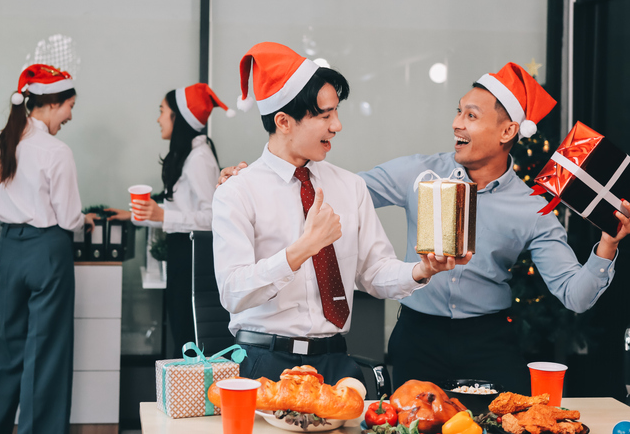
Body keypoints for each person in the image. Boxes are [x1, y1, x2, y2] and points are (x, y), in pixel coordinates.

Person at [219, 62, 630, 394]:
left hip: (487, 340)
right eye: (458, 111)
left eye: (471, 115)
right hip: (415, 336)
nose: (457, 124)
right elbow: (320, 187)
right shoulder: (416, 173)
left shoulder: (530, 207)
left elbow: (575, 296)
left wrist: (606, 247)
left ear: (508, 132)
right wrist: (253, 177)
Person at [212, 42, 471, 386]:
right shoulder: (238, 191)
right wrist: (303, 248)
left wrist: (421, 269)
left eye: (336, 112)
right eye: (325, 116)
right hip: (263, 365)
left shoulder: (349, 187)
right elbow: (232, 292)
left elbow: (374, 272)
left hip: (336, 364)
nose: (337, 125)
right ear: (284, 121)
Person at [0, 64, 96, 434]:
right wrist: (84, 221)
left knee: (7, 347)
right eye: (69, 106)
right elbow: (68, 217)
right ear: (51, 104)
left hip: (10, 250)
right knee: (46, 352)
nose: (71, 115)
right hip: (48, 251)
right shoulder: (56, 150)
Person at [108, 83, 230, 357]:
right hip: (181, 254)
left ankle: (192, 398)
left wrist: (163, 215)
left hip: (191, 257)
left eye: (162, 111)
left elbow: (212, 218)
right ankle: (184, 397)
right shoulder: (189, 154)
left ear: (179, 117)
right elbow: (182, 210)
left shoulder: (199, 158)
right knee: (180, 330)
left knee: (187, 336)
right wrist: (138, 215)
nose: (158, 118)